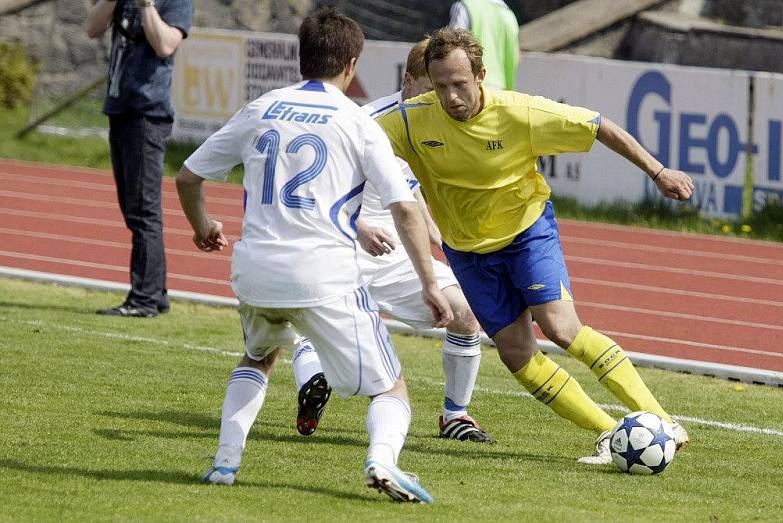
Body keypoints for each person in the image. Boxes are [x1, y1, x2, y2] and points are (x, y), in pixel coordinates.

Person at [376, 28, 692, 464]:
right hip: (467, 251)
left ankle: (662, 420)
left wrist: (659, 173)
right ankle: (612, 433)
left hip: (526, 233)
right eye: (441, 85)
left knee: (561, 328)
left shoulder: (519, 112)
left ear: (481, 75)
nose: (450, 97)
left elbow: (599, 126)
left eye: (460, 84)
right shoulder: (412, 119)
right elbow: (354, 141)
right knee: (515, 352)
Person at [176, 9, 453, 503]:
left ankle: (225, 462)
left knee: (259, 356)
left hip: (255, 267)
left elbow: (188, 178)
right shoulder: (359, 122)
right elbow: (406, 210)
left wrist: (203, 228)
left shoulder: (261, 107)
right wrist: (430, 282)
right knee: (390, 387)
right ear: (351, 64)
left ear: (301, 58)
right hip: (324, 272)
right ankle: (382, 461)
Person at [291, 38, 492, 444]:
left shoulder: (432, 124)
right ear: (409, 81)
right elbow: (317, 187)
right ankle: (312, 385)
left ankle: (455, 416)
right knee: (305, 323)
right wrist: (360, 227)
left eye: (450, 87)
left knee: (465, 313)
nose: (445, 98)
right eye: (434, 88)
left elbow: (413, 196)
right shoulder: (368, 122)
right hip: (346, 246)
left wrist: (447, 245)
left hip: (397, 255)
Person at [87, 0, 194, 318]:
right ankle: (154, 294)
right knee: (133, 209)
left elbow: (164, 45)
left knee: (145, 210)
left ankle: (145, 298)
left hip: (148, 112)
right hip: (119, 107)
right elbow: (93, 28)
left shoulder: (176, 2)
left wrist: (146, 4)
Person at [448, 0, 518, 90]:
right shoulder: (508, 13)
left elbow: (451, 47)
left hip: (472, 86)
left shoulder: (465, 6)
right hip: (501, 90)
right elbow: (515, 56)